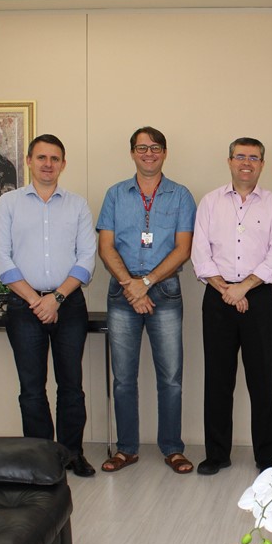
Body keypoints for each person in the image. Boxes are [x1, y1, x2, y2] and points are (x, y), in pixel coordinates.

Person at [0, 134, 97, 477]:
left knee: (71, 387)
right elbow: (0, 258)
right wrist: (37, 301)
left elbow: (87, 258)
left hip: (69, 305)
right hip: (25, 306)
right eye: (41, 157)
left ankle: (71, 454)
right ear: (28, 161)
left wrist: (57, 298)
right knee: (32, 390)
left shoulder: (77, 205)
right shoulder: (8, 204)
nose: (48, 164)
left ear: (63, 164)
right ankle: (39, 459)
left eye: (54, 158)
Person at [97, 127, 197, 475]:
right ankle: (126, 449)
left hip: (165, 292)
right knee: (123, 378)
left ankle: (172, 448)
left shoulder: (181, 195)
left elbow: (183, 249)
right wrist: (131, 285)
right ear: (132, 153)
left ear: (165, 153)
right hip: (122, 292)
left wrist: (147, 283)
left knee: (171, 378)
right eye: (142, 148)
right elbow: (105, 246)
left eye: (155, 148)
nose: (149, 154)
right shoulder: (115, 194)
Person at [191, 137, 272, 475]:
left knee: (263, 380)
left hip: (258, 298)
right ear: (229, 161)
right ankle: (216, 454)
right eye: (240, 156)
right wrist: (227, 290)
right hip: (217, 297)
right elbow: (200, 253)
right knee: (218, 379)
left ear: (262, 164)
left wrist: (244, 287)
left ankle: (266, 455)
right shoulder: (210, 202)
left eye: (254, 157)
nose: (246, 163)